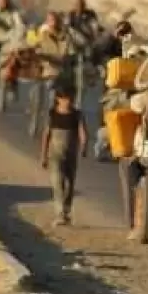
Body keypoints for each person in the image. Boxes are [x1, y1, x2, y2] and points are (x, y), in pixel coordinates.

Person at [39, 84, 88, 226]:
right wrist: (43, 155)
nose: (69, 101)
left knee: (69, 184)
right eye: (66, 98)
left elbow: (82, 131)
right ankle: (59, 212)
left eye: (71, 98)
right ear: (58, 99)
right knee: (57, 183)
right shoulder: (52, 114)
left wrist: (84, 145)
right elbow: (46, 134)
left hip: (71, 155)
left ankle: (66, 211)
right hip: (55, 154)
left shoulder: (77, 115)